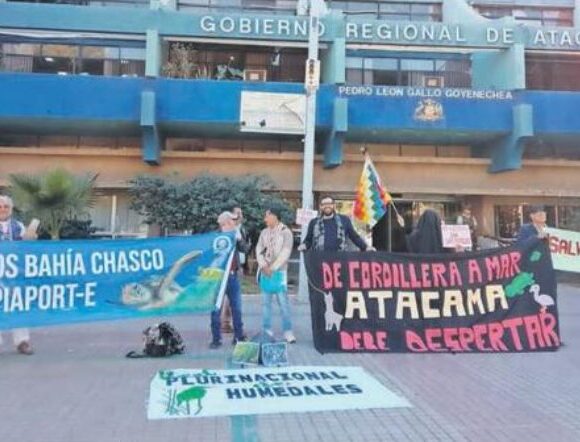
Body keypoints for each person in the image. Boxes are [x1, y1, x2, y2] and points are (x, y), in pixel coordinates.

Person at [0, 195, 35, 355]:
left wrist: (31, 239)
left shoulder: (19, 226)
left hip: (14, 274)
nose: (2, 209)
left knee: (18, 306)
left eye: (6, 206)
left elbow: (26, 247)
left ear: (11, 209)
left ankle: (22, 342)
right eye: (0, 207)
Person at [209, 211, 249, 349]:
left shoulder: (235, 235)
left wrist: (239, 239)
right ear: (225, 223)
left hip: (232, 276)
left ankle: (238, 336)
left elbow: (245, 249)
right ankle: (216, 339)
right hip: (218, 277)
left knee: (236, 308)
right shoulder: (215, 237)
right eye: (232, 221)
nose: (234, 223)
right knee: (215, 308)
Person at [256, 207, 296, 343]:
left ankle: (288, 331)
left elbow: (286, 252)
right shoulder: (264, 232)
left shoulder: (286, 232)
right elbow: (259, 249)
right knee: (265, 304)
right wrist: (263, 265)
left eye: (267, 216)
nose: (265, 219)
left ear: (274, 216)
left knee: (283, 303)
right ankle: (266, 329)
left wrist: (272, 268)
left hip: (279, 272)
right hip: (265, 271)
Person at [298, 196, 375, 252]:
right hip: (319, 260)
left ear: (334, 205)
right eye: (324, 204)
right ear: (321, 207)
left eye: (329, 203)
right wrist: (304, 245)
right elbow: (308, 240)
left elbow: (354, 237)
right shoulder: (313, 222)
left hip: (339, 260)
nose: (327, 206)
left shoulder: (344, 220)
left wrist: (365, 247)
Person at [220, 206, 252, 334]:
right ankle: (225, 324)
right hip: (226, 270)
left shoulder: (240, 231)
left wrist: (241, 241)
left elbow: (244, 248)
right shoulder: (223, 234)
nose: (239, 217)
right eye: (236, 215)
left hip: (238, 267)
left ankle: (232, 327)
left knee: (234, 300)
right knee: (229, 299)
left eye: (241, 214)